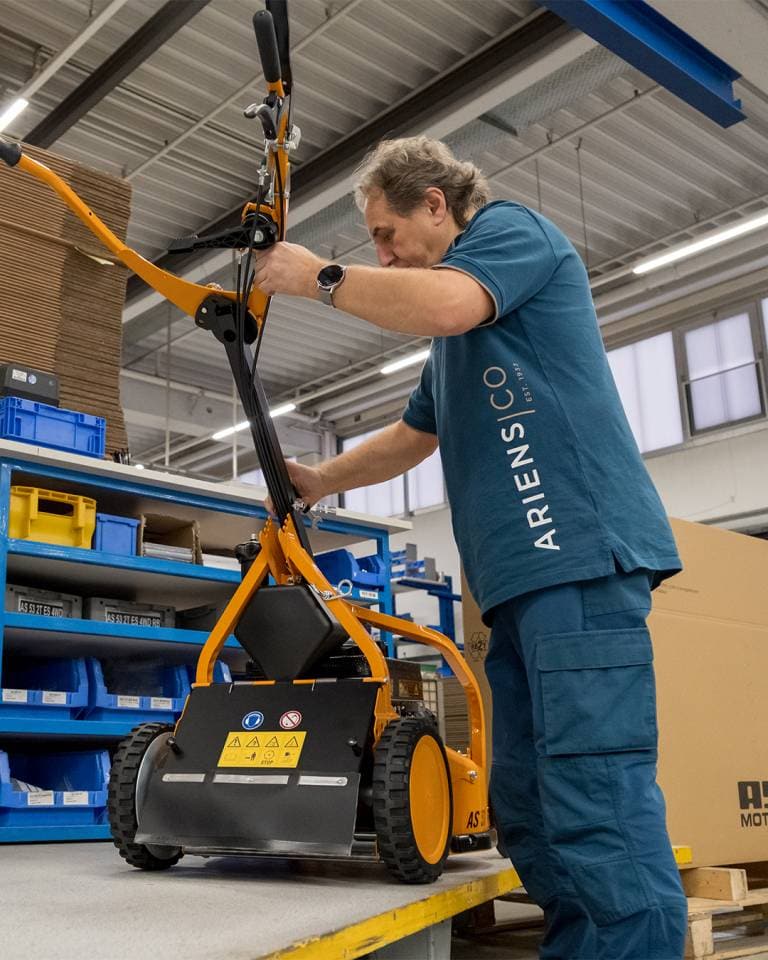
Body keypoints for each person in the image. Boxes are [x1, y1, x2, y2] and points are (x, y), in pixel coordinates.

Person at [252, 136, 688, 960]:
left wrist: (320, 277)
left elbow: (448, 303)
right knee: (527, 803)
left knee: (595, 795)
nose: (383, 254)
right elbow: (415, 434)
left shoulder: (512, 236)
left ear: (436, 204)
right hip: (520, 586)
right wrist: (321, 479)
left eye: (386, 235)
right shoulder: (456, 346)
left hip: (578, 561)